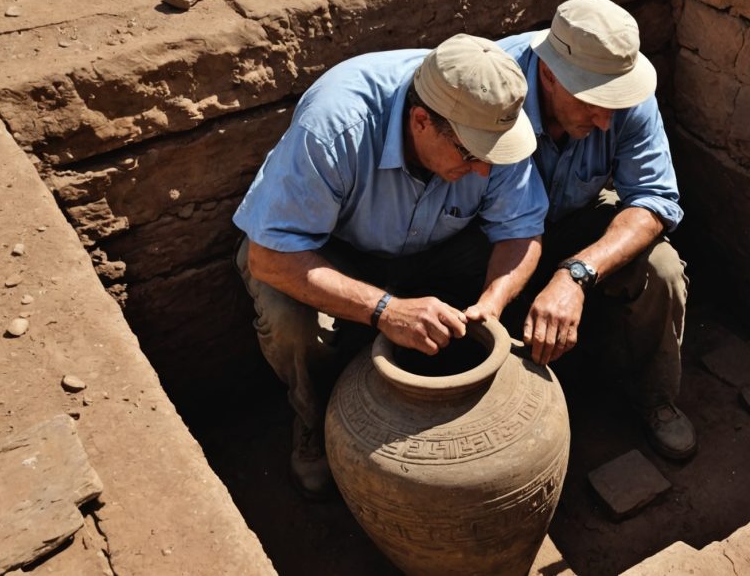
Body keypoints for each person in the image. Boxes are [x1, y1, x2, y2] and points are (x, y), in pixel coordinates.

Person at [232, 34, 548, 497]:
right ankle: (313, 420)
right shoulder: (337, 126)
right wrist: (386, 309)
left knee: (502, 268)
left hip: (437, 244)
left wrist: (491, 306)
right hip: (333, 250)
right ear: (421, 121)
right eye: (471, 154)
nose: (484, 171)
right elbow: (269, 256)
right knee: (289, 320)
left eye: (492, 155)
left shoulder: (487, 121)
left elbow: (522, 229)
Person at [498, 0, 696, 460]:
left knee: (662, 269)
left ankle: (653, 397)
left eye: (616, 103)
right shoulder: (494, 87)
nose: (607, 120)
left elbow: (654, 198)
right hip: (490, 237)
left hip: (572, 217)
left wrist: (576, 274)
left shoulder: (626, 94)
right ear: (549, 75)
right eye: (594, 102)